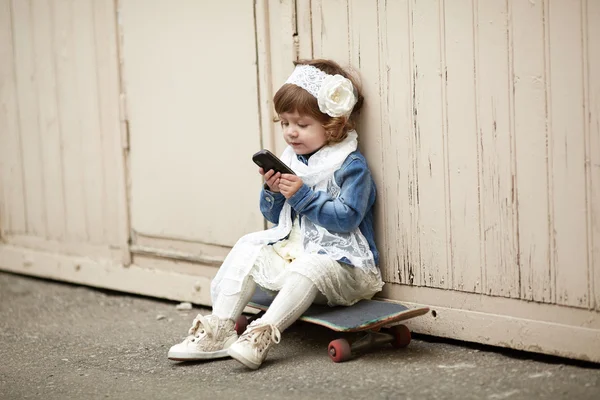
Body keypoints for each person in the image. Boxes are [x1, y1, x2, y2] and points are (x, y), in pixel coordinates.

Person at [168, 59, 384, 369]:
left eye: (302, 124)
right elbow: (273, 218)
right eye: (284, 123)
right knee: (250, 246)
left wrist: (302, 195)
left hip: (345, 271)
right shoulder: (293, 160)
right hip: (296, 261)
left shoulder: (350, 165)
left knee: (313, 263)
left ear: (332, 124)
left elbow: (347, 219)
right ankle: (219, 331)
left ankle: (261, 335)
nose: (291, 133)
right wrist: (272, 191)